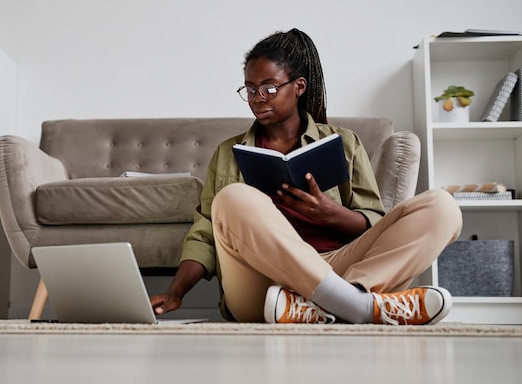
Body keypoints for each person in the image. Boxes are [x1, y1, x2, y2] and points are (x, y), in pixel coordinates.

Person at [150, 28, 463, 325]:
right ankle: (357, 306)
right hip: (263, 285)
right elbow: (204, 234)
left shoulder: (344, 142)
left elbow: (375, 222)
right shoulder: (228, 152)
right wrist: (175, 291)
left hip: (338, 268)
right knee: (232, 198)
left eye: (269, 88)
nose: (258, 98)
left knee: (442, 206)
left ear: (298, 87)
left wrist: (331, 215)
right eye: (250, 89)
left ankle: (334, 303)